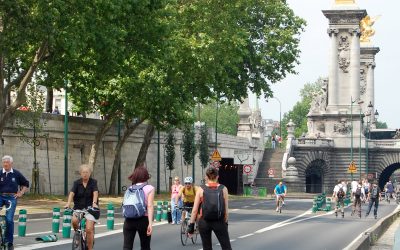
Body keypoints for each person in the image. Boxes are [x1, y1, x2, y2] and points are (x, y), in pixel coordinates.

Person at [188, 167, 232, 250]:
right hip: (219, 221)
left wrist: (191, 227)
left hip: (204, 222)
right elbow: (226, 210)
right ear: (217, 177)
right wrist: (225, 224)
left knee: (207, 247)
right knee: (226, 247)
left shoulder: (201, 189)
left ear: (206, 177)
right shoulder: (223, 189)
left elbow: (194, 211)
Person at [65, 164, 99, 250]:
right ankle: (77, 235)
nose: (85, 174)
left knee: (89, 229)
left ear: (90, 173)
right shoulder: (76, 183)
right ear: (80, 173)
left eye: (87, 172)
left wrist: (94, 203)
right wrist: (68, 203)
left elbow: (95, 192)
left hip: (90, 208)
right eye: (83, 172)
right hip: (78, 208)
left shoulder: (93, 182)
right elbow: (72, 193)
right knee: (74, 221)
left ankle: (90, 248)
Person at [0, 155, 29, 250]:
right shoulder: (0, 173)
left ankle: (9, 242)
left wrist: (21, 192)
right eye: (4, 162)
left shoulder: (16, 173)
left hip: (11, 198)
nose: (5, 164)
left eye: (7, 162)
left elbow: (25, 183)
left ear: (11, 163)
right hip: (0, 196)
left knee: (9, 219)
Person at [123, 165, 154, 250]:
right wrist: (150, 224)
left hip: (129, 220)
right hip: (143, 219)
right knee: (145, 246)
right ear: (146, 176)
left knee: (127, 247)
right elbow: (150, 206)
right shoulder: (149, 188)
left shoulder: (130, 188)